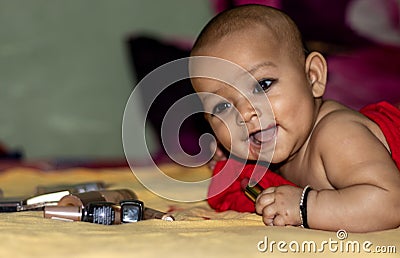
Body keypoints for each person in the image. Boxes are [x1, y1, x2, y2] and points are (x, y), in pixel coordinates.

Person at [189, 4, 400, 232]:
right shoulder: (278, 150)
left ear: (313, 76)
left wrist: (305, 206)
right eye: (222, 107)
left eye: (263, 85)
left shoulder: (338, 134)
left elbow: (390, 204)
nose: (244, 113)